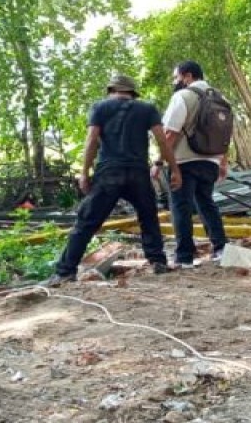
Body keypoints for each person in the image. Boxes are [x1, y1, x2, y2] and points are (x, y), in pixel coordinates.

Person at [45, 74, 182, 286]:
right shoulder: (147, 109)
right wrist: (174, 170)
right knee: (148, 218)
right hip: (138, 172)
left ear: (111, 90)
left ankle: (65, 272)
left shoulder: (100, 107)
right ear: (133, 93)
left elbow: (92, 140)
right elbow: (162, 141)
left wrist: (84, 172)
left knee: (86, 222)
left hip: (109, 172)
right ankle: (158, 262)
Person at [159, 60, 230, 265]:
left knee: (181, 207)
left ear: (187, 76)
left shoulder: (183, 96)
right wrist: (222, 162)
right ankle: (221, 248)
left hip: (183, 162)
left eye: (176, 77)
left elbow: (170, 133)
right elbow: (225, 134)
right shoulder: (221, 98)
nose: (175, 81)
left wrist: (158, 162)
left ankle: (184, 257)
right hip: (211, 161)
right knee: (207, 204)